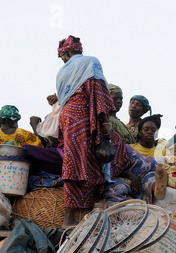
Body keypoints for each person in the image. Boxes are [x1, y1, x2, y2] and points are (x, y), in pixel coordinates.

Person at [56, 35, 130, 228]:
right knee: (100, 157)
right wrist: (105, 127)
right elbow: (97, 94)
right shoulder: (90, 62)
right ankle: (89, 210)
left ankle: (70, 217)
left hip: (67, 118)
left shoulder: (61, 72)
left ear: (66, 53)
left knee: (73, 162)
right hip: (83, 117)